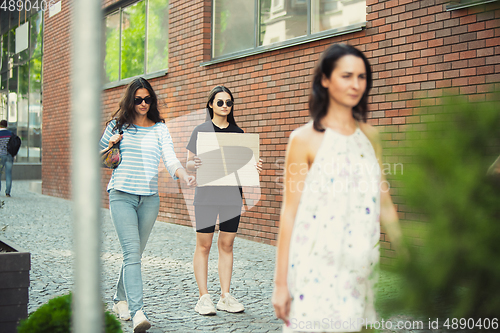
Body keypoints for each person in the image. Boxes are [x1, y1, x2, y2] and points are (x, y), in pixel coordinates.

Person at [272, 44, 402, 333]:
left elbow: (384, 201)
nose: (356, 84)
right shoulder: (303, 139)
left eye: (362, 77)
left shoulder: (371, 137)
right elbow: (289, 213)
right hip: (314, 267)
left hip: (361, 265)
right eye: (346, 76)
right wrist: (281, 284)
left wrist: (409, 256)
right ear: (325, 79)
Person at [100, 77, 195, 332]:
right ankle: (137, 311)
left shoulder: (160, 129)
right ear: (131, 100)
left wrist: (183, 174)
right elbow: (98, 159)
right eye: (138, 99)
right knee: (132, 253)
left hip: (150, 199)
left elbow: (170, 158)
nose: (143, 103)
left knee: (135, 254)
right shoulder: (117, 126)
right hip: (121, 195)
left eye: (147, 99)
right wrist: (110, 145)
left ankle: (119, 300)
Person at [186, 85, 263, 315]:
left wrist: (254, 167)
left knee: (227, 245)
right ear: (211, 104)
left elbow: (244, 167)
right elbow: (188, 163)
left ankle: (225, 296)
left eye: (228, 102)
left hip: (231, 197)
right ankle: (204, 297)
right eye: (220, 102)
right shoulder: (200, 131)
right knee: (204, 245)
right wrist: (194, 163)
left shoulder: (238, 134)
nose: (225, 106)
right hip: (207, 196)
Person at [0, 120, 13, 198]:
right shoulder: (11, 134)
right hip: (9, 156)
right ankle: (8, 192)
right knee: (8, 174)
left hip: (0, 156)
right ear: (6, 125)